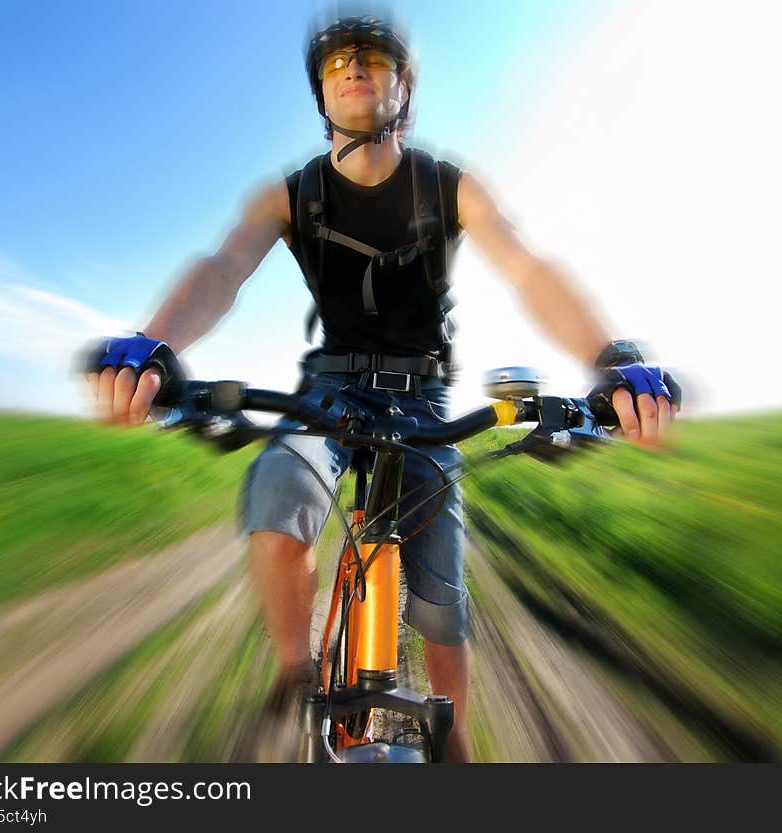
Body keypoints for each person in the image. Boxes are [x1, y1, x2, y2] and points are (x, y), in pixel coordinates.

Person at [85, 15, 680, 763]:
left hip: (423, 398)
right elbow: (222, 268)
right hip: (327, 390)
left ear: (407, 90)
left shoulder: (449, 187)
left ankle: (454, 731)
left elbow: (527, 267)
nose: (352, 66)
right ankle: (294, 667)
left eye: (373, 58)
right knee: (277, 499)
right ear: (321, 98)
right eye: (336, 62)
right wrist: (155, 345)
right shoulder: (289, 196)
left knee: (440, 597)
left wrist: (612, 355)